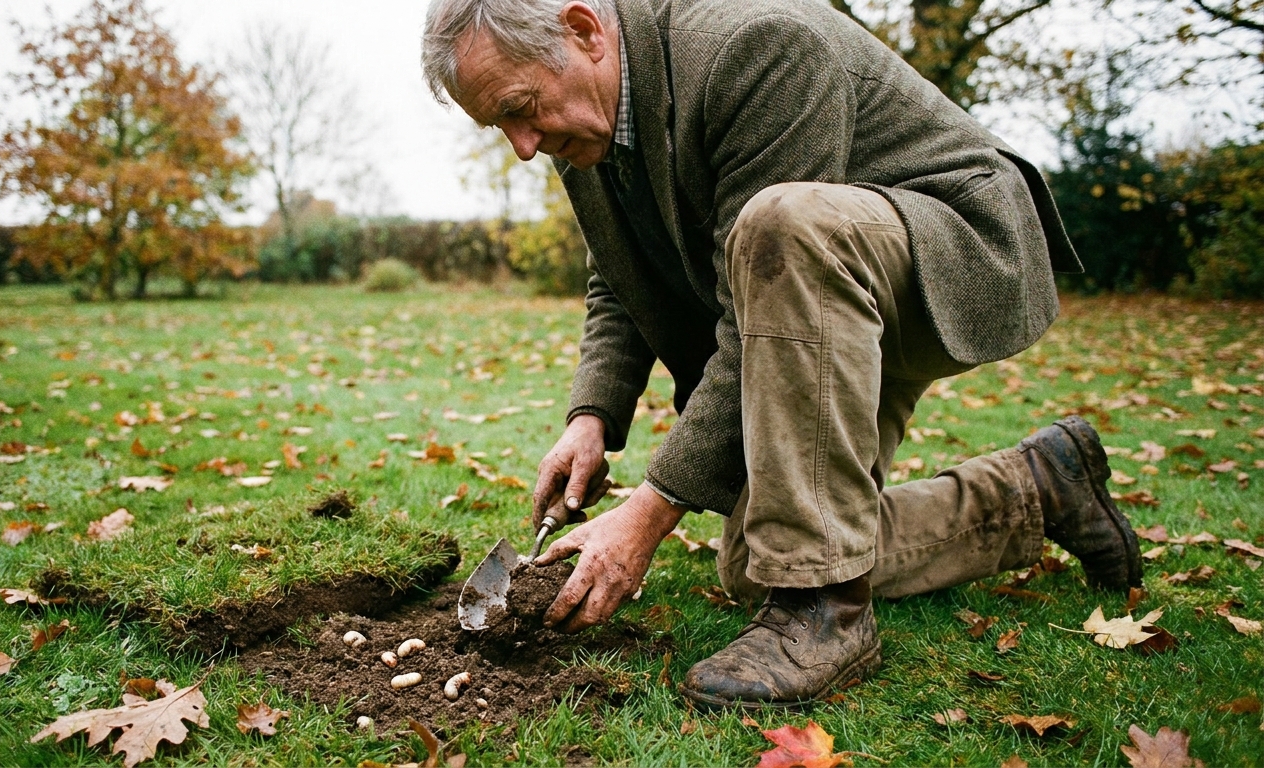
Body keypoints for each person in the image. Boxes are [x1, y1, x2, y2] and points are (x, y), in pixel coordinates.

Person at [421, 0, 1144, 709]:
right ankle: (1038, 487)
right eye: (501, 125)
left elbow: (763, 290)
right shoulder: (585, 129)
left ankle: (826, 614)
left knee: (784, 222)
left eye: (522, 107)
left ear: (583, 32)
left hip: (950, 251)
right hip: (820, 296)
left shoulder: (757, 46)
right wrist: (592, 418)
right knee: (759, 560)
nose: (521, 144)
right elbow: (619, 275)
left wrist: (646, 514)